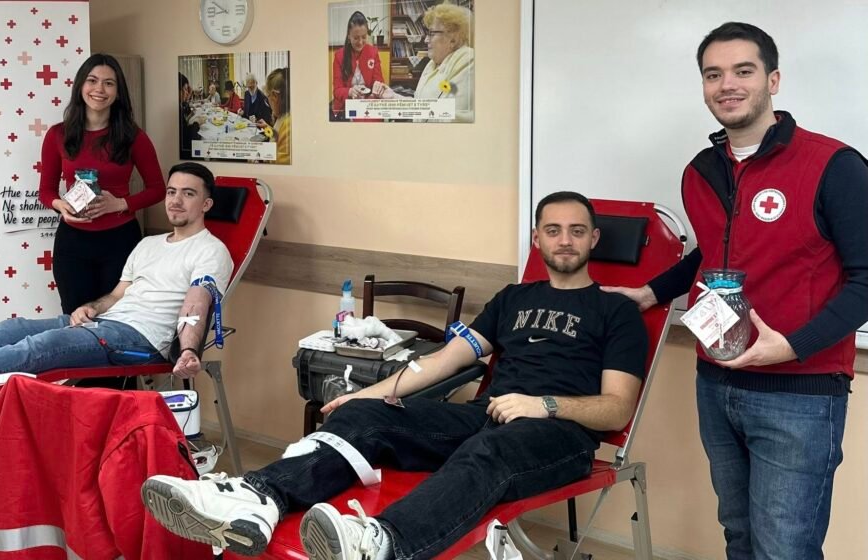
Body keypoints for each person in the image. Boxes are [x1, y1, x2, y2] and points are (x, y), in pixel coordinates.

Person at [141, 192, 648, 560]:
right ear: (537, 238)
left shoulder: (616, 312)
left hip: (560, 435)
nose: (565, 240)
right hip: (487, 416)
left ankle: (382, 542)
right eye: (553, 230)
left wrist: (546, 405)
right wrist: (365, 400)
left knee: (486, 453)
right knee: (366, 416)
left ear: (594, 239)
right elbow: (444, 361)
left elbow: (617, 408)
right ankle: (257, 500)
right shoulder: (514, 298)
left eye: (576, 230)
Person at [602, 23, 868, 560]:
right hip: (715, 383)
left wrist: (790, 346)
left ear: (773, 80)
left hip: (800, 393)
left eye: (743, 71)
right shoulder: (700, 172)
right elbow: (713, 253)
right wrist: (651, 293)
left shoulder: (833, 166)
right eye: (713, 74)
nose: (727, 84)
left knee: (785, 550)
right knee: (740, 537)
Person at [0, 162, 232, 405]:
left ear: (206, 204)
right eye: (171, 191)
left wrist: (189, 351)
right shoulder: (148, 244)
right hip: (107, 323)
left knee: (40, 347)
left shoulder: (211, 250)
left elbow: (196, 304)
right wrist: (91, 307)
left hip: (141, 341)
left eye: (188, 193)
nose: (176, 200)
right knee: (13, 328)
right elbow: (118, 294)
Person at [38, 54, 165, 317]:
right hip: (72, 243)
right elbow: (45, 191)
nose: (99, 89)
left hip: (120, 241)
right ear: (80, 86)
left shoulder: (133, 136)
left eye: (109, 83)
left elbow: (158, 189)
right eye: (92, 80)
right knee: (75, 318)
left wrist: (120, 204)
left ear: (118, 92)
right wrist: (60, 205)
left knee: (116, 317)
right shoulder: (57, 135)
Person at [379, 3, 474, 122]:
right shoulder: (432, 63)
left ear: (453, 39)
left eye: (431, 33)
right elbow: (420, 104)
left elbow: (450, 116)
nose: (426, 39)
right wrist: (394, 97)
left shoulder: (467, 60)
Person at [331, 11, 387, 119]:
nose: (360, 42)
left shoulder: (373, 52)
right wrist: (350, 91)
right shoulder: (339, 56)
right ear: (349, 36)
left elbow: (378, 80)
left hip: (368, 102)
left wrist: (378, 86)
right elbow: (337, 90)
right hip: (345, 106)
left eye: (364, 37)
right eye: (356, 38)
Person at [256, 68, 290, 165]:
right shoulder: (283, 116)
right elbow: (279, 137)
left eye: (268, 97)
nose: (268, 102)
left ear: (275, 96)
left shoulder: (288, 123)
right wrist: (267, 128)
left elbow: (278, 164)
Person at [179, 72, 202, 159]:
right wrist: (197, 122)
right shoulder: (178, 107)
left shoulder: (179, 106)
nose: (186, 93)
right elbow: (188, 137)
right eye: (185, 89)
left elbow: (184, 125)